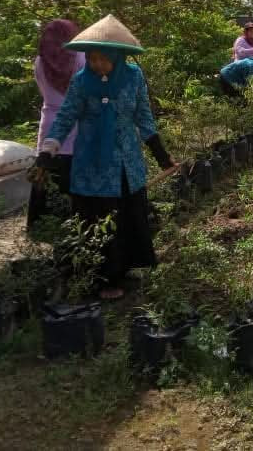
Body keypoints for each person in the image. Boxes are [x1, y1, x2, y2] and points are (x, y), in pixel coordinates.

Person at [37, 15, 176, 300]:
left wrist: (161, 154)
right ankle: (103, 278)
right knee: (97, 216)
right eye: (93, 59)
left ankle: (124, 269)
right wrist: (48, 150)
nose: (98, 65)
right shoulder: (81, 82)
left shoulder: (133, 78)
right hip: (92, 161)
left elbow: (143, 117)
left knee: (127, 213)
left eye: (104, 59)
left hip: (126, 159)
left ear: (117, 56)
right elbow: (65, 117)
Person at [28, 19, 86, 230]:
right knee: (72, 181)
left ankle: (43, 228)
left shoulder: (39, 62)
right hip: (77, 126)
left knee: (47, 175)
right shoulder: (82, 57)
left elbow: (44, 93)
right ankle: (75, 229)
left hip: (49, 125)